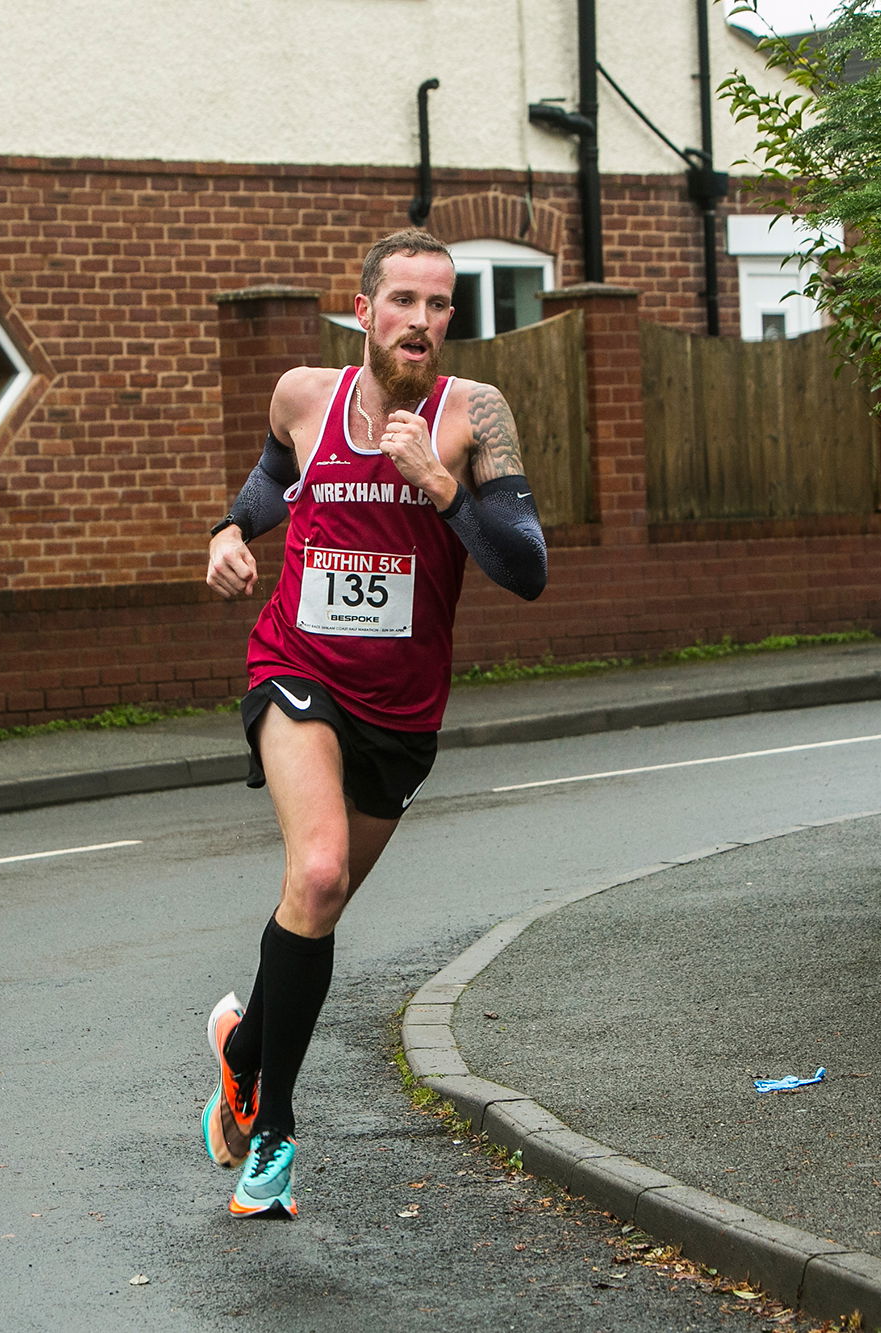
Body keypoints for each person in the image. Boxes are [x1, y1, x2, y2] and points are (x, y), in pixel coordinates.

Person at [200, 229, 548, 1218]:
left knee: (321, 902)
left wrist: (439, 489)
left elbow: (525, 567)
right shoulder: (303, 396)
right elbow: (272, 480)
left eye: (440, 306)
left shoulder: (474, 415)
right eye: (403, 301)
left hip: (402, 712)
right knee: (312, 871)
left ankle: (239, 1049)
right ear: (363, 308)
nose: (422, 322)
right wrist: (228, 532)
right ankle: (272, 1134)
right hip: (297, 670)